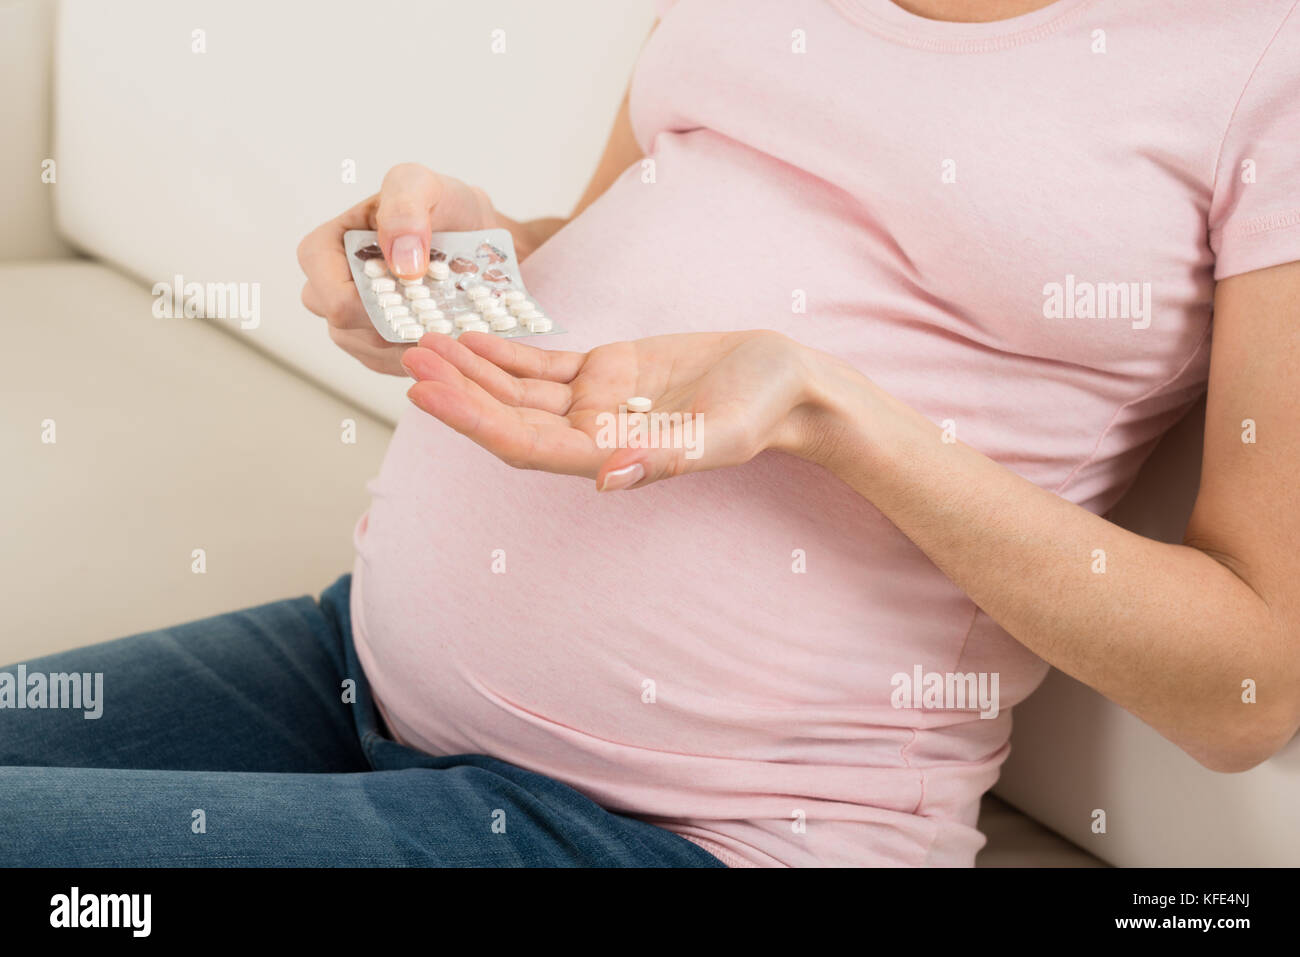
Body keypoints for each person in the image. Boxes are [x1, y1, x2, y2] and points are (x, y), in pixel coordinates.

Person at [5, 0, 1299, 867]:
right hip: (354, 658)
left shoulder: (1260, 63)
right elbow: (614, 249)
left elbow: (1252, 678)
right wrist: (466, 259)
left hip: (686, 834)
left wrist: (825, 408)